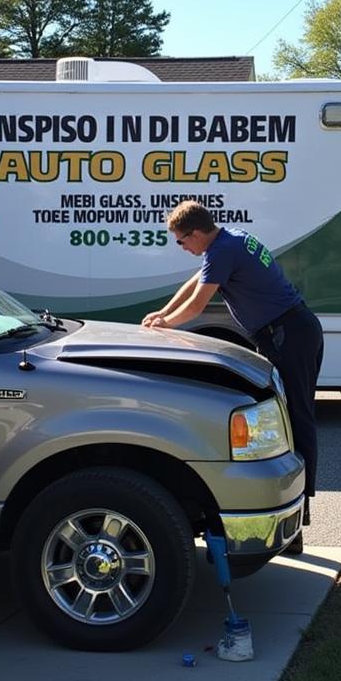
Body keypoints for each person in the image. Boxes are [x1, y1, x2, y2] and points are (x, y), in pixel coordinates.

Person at [142, 200, 322, 553]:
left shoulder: (222, 250)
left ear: (195, 233)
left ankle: (298, 522)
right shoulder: (228, 242)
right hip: (291, 331)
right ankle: (291, 522)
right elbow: (192, 286)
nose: (183, 248)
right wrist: (161, 314)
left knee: (298, 422)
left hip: (289, 335)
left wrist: (167, 324)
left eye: (181, 241)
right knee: (282, 424)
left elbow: (196, 306)